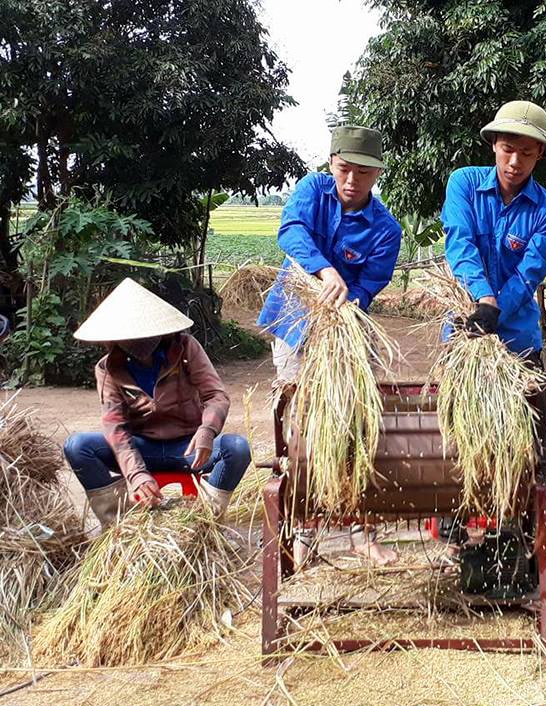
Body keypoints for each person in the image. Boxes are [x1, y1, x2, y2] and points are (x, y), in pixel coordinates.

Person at [257, 124, 402, 565]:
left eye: (363, 172)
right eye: (344, 169)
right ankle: (304, 532)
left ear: (377, 174)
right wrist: (326, 271)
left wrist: (344, 302)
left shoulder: (385, 229)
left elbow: (369, 285)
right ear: (331, 165)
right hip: (296, 325)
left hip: (348, 335)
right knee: (302, 428)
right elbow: (291, 232)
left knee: (357, 424)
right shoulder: (312, 191)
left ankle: (363, 530)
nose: (352, 181)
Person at [439, 100, 546, 575]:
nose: (515, 162)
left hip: (518, 341)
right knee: (455, 432)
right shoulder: (465, 184)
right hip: (466, 335)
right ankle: (451, 519)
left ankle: (516, 529)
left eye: (527, 154)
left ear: (539, 157)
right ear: (494, 144)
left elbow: (531, 272)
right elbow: (460, 242)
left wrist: (498, 307)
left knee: (526, 441)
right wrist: (481, 300)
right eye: (508, 149)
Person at [63, 278, 251, 529]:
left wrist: (207, 431)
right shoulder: (107, 368)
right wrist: (136, 473)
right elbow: (115, 427)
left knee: (236, 448)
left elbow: (216, 395)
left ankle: (206, 523)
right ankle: (120, 526)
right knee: (78, 446)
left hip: (189, 448)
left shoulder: (185, 349)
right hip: (142, 448)